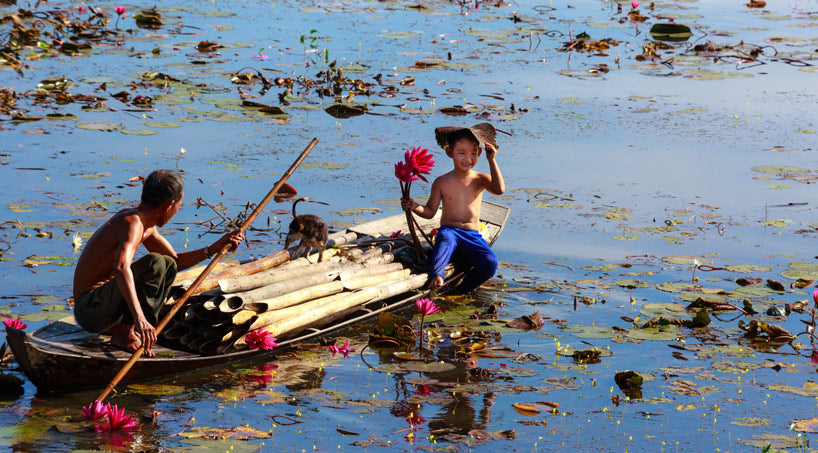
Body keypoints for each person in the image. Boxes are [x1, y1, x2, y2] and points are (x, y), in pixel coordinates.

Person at [73, 169, 244, 356]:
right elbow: (121, 267)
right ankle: (125, 332)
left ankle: (124, 328)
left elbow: (176, 261)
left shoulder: (146, 225)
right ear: (168, 206)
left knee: (167, 264)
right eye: (179, 205)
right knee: (155, 262)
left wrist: (214, 248)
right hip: (89, 310)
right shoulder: (133, 223)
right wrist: (139, 318)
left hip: (105, 309)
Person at [401, 123, 505, 293]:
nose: (468, 159)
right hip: (450, 232)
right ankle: (438, 276)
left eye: (473, 154)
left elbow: (500, 190)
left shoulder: (480, 179)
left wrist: (492, 160)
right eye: (462, 153)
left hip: (472, 235)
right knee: (446, 238)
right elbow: (429, 212)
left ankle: (461, 291)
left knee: (490, 263)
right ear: (450, 153)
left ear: (479, 153)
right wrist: (413, 206)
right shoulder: (442, 182)